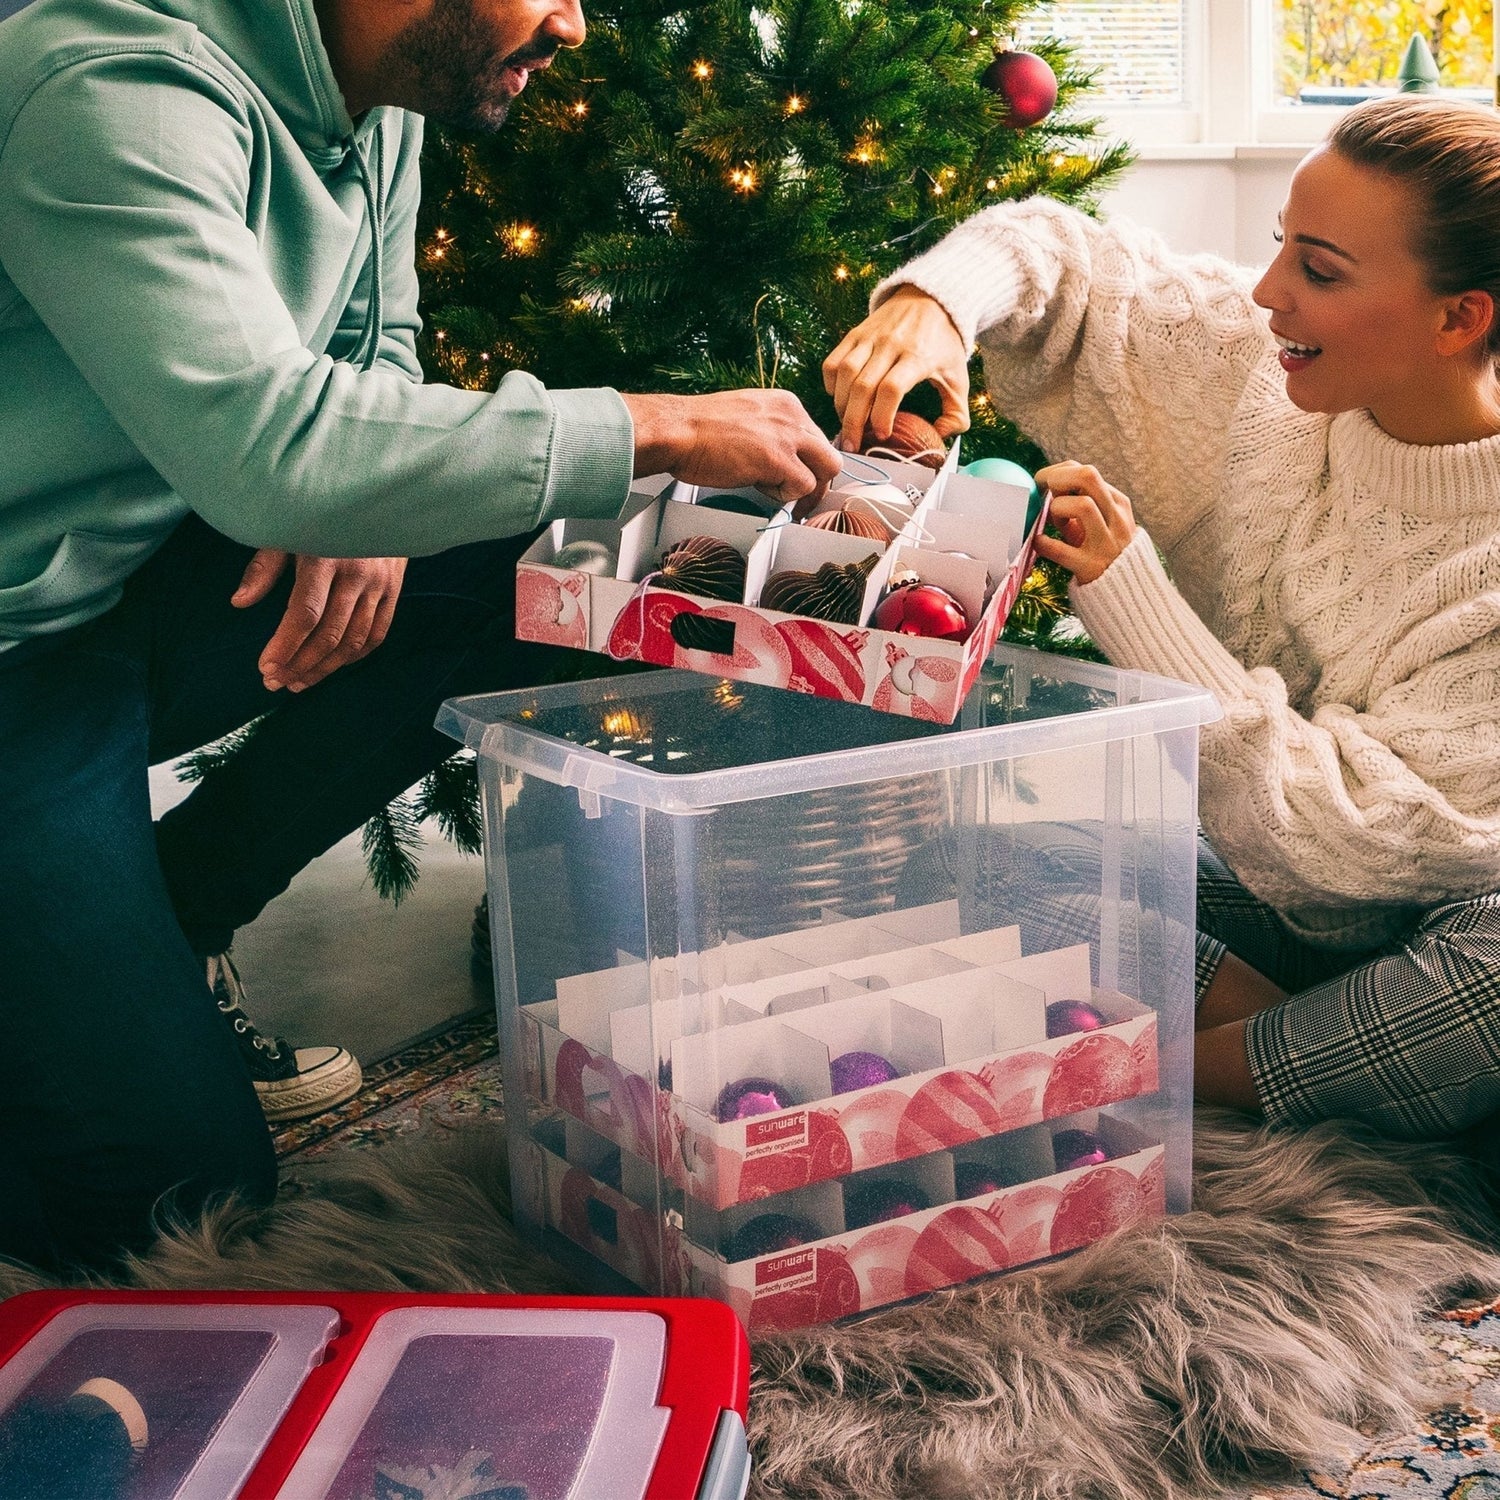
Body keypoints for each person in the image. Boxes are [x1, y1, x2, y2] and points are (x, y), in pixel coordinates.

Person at [0, 0, 841, 1270]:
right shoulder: (106, 85)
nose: (570, 21)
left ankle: (167, 912)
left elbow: (375, 358)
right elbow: (265, 442)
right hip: (17, 663)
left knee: (544, 573)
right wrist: (649, 424)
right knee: (176, 1196)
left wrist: (363, 504)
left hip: (119, 596)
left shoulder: (371, 93)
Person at [824, 93, 1500, 1146]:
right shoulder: (1262, 364)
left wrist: (1135, 599)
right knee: (964, 863)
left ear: (1461, 317)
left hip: (1439, 917)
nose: (1270, 291)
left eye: (1319, 271)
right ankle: (1332, 1065)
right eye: (1282, 250)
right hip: (1288, 918)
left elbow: (1352, 853)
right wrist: (934, 311)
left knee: (1493, 984)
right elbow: (1060, 258)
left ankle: (1166, 1070)